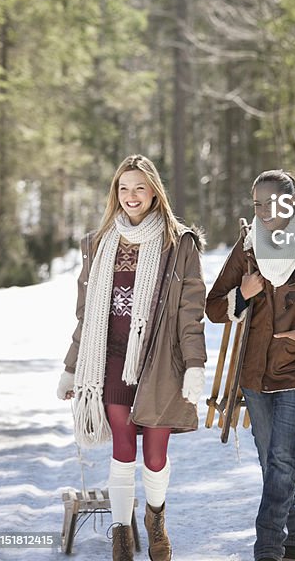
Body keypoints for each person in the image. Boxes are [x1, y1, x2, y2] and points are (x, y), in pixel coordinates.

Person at [57, 154, 207, 561]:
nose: (131, 196)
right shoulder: (99, 242)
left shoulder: (179, 243)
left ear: (155, 191)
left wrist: (195, 363)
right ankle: (121, 534)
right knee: (122, 450)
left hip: (160, 364)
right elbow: (86, 314)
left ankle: (155, 520)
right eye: (123, 188)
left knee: (156, 455)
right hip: (109, 362)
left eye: (139, 187)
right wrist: (72, 368)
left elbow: (190, 310)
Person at [206, 169, 295, 561]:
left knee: (283, 459)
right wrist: (242, 293)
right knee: (271, 461)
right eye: (257, 204)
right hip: (252, 372)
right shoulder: (248, 245)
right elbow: (214, 305)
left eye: (272, 202)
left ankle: (267, 545)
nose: (264, 211)